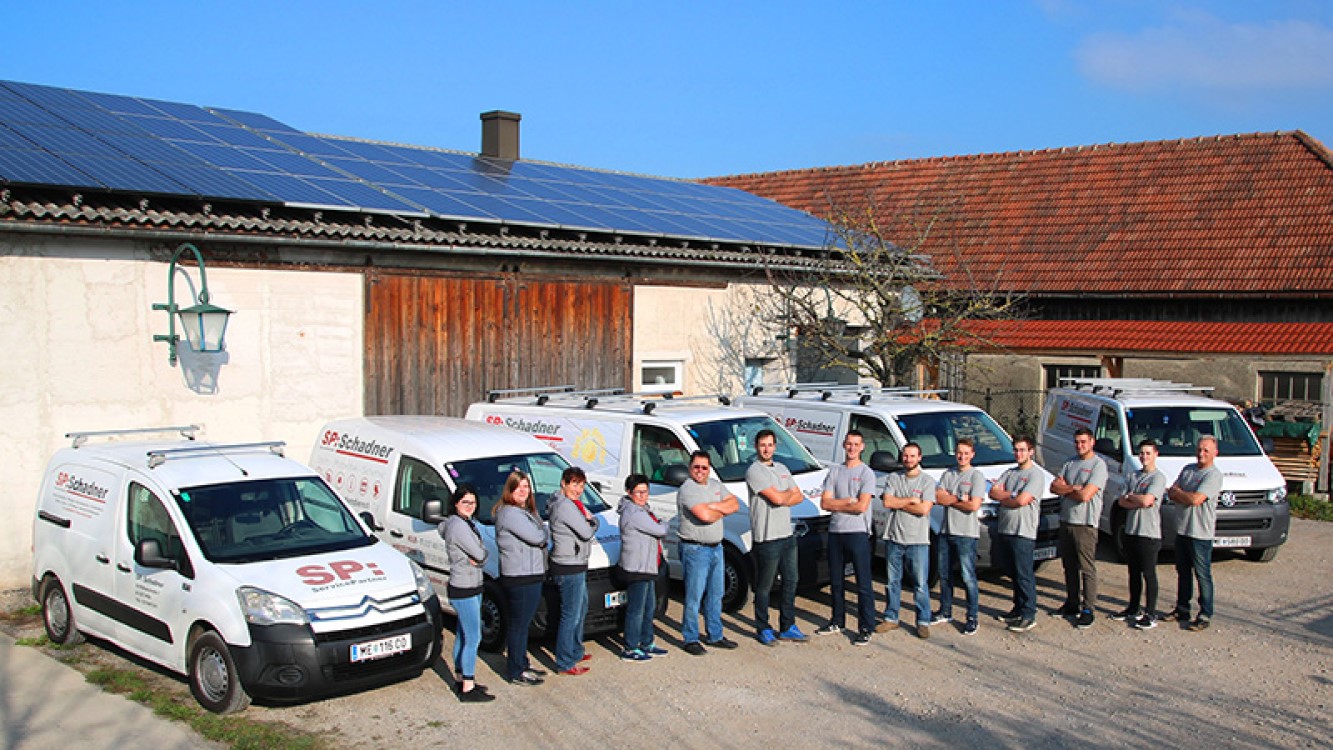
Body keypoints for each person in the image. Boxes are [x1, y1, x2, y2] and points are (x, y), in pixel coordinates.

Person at [745, 428, 808, 646]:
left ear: (775, 446)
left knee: (791, 580)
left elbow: (798, 495)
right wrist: (784, 496)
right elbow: (777, 498)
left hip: (787, 534)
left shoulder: (782, 468)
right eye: (762, 445)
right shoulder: (755, 471)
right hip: (768, 536)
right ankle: (763, 627)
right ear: (756, 447)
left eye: (770, 444)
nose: (766, 449)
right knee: (765, 585)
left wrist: (784, 497)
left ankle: (787, 625)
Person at [817, 430, 878, 646]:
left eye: (856, 444)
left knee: (863, 583)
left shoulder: (866, 474)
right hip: (836, 532)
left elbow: (861, 506)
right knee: (836, 580)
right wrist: (847, 502)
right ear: (844, 445)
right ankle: (837, 620)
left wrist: (841, 503)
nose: (852, 448)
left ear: (862, 447)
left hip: (858, 533)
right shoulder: (835, 472)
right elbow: (825, 503)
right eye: (849, 444)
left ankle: (866, 626)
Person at [677, 450, 740, 655]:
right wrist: (720, 508)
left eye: (704, 467)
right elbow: (704, 516)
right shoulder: (688, 489)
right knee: (694, 596)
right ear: (690, 468)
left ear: (709, 468)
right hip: (695, 548)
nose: (700, 471)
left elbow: (735, 504)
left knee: (716, 594)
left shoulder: (715, 485)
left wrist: (713, 506)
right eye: (696, 467)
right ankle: (690, 638)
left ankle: (715, 634)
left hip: (716, 547)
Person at [438, 484, 495, 702]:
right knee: (474, 636)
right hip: (464, 587)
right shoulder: (459, 526)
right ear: (455, 504)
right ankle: (468, 688)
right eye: (465, 502)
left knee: (463, 633)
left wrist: (480, 557)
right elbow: (480, 554)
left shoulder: (465, 523)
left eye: (473, 502)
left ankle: (462, 678)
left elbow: (479, 555)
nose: (470, 506)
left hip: (471, 583)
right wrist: (480, 557)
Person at [494, 470, 549, 685]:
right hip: (521, 576)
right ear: (510, 490)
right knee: (519, 624)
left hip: (531, 573)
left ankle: (522, 663)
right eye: (518, 487)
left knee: (523, 624)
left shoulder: (524, 511)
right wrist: (543, 535)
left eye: (526, 487)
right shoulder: (510, 514)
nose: (523, 491)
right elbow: (537, 536)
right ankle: (516, 670)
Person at [1050, 427, 1107, 629]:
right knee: (1069, 566)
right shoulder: (1070, 463)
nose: (1080, 445)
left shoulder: (1098, 466)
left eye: (1083, 441)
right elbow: (1053, 486)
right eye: (1077, 442)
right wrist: (1073, 488)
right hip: (1067, 519)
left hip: (1085, 523)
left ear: (1092, 442)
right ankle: (1071, 602)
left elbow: (1086, 496)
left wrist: (1069, 490)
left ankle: (1088, 608)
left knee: (1086, 567)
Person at [1165, 435, 1224, 632]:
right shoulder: (1188, 470)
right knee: (1183, 572)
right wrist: (1184, 495)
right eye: (1199, 449)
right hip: (1182, 529)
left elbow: (1196, 499)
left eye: (1206, 450)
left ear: (1215, 453)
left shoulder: (1213, 475)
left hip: (1201, 533)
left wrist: (1183, 495)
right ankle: (1182, 608)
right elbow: (1171, 491)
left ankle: (1205, 612)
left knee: (1202, 574)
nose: (1201, 454)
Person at [880, 442, 937, 639]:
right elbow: (888, 502)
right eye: (905, 456)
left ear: (919, 458)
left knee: (920, 584)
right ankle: (891, 618)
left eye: (912, 456)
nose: (908, 460)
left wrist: (900, 503)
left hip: (918, 540)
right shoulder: (894, 478)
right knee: (891, 581)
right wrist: (911, 500)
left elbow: (924, 510)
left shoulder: (927, 481)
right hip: (894, 537)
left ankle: (923, 621)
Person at [547, 467, 599, 676]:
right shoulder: (565, 507)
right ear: (564, 483)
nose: (578, 489)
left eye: (581, 485)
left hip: (576, 562)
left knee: (581, 608)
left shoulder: (574, 504)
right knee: (571, 613)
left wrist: (589, 520)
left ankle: (575, 650)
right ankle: (565, 660)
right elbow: (587, 531)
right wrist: (591, 522)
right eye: (574, 484)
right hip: (568, 565)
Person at [989, 436, 1043, 633]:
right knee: (1012, 572)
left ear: (1031, 452)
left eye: (1022, 450)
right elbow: (993, 492)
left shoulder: (1035, 475)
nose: (1018, 454)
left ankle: (1029, 613)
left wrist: (1008, 497)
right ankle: (1017, 608)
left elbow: (1022, 500)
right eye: (1016, 450)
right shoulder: (1009, 473)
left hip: (1023, 530)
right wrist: (1010, 496)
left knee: (1024, 573)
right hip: (1006, 528)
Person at [933, 438, 985, 635]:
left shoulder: (976, 477)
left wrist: (951, 499)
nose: (962, 456)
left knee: (967, 576)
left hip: (966, 534)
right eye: (959, 453)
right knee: (944, 574)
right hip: (946, 531)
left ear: (972, 455)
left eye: (966, 453)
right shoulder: (948, 474)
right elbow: (939, 498)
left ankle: (972, 616)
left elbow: (973, 505)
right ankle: (945, 610)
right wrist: (959, 498)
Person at [1114, 440, 1167, 630]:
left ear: (1155, 455)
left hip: (1148, 533)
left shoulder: (1158, 478)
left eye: (1148, 453)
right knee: (1133, 573)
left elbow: (1147, 501)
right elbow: (1121, 501)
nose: (1144, 457)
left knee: (1148, 573)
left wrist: (1133, 497)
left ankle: (1151, 613)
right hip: (1131, 530)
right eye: (1142, 453)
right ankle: (1133, 607)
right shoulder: (1133, 476)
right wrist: (1135, 499)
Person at [617, 474, 669, 662]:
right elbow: (661, 530)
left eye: (645, 491)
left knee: (649, 607)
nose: (642, 496)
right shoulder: (634, 513)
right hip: (636, 569)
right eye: (638, 492)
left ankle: (647, 642)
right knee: (636, 610)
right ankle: (630, 647)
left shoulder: (643, 510)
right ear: (629, 493)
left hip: (647, 566)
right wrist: (664, 522)